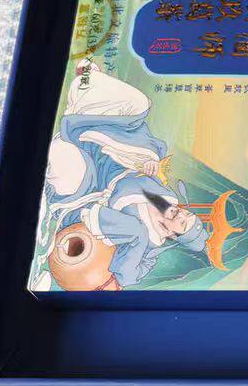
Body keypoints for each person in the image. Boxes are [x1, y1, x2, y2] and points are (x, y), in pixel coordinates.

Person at [44, 60, 212, 288]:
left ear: (174, 236)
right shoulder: (165, 199)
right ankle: (86, 87)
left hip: (83, 196)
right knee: (138, 104)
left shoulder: (150, 247)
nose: (181, 215)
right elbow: (137, 179)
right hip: (108, 166)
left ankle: (81, 105)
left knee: (62, 152)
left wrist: (138, 237)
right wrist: (149, 165)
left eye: (182, 224)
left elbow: (127, 277)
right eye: (186, 215)